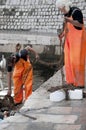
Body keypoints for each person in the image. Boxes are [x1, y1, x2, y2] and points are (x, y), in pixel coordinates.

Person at [56, 0, 86, 88]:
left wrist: (69, 20)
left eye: (61, 9)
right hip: (69, 40)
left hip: (78, 41)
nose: (61, 11)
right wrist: (62, 35)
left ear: (65, 6)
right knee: (68, 61)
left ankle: (79, 84)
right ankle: (71, 81)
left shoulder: (76, 12)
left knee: (76, 61)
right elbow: (67, 27)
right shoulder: (66, 14)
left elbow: (80, 25)